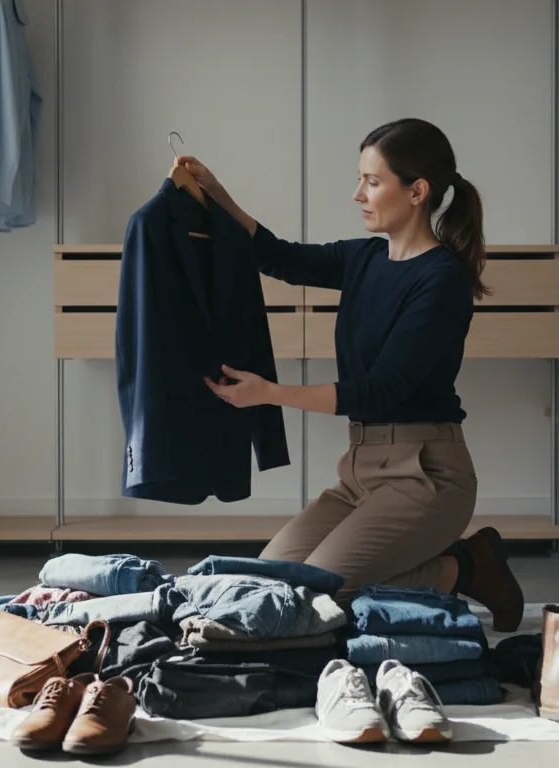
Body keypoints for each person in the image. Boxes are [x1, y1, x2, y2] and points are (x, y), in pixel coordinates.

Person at [178, 118, 525, 632]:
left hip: (426, 475)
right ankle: (451, 565)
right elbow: (278, 257)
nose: (357, 193)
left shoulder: (441, 280)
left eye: (372, 181)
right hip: (360, 474)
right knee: (263, 586)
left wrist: (270, 394)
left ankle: (468, 567)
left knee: (317, 599)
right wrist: (217, 193)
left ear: (417, 191)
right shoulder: (363, 256)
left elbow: (381, 392)